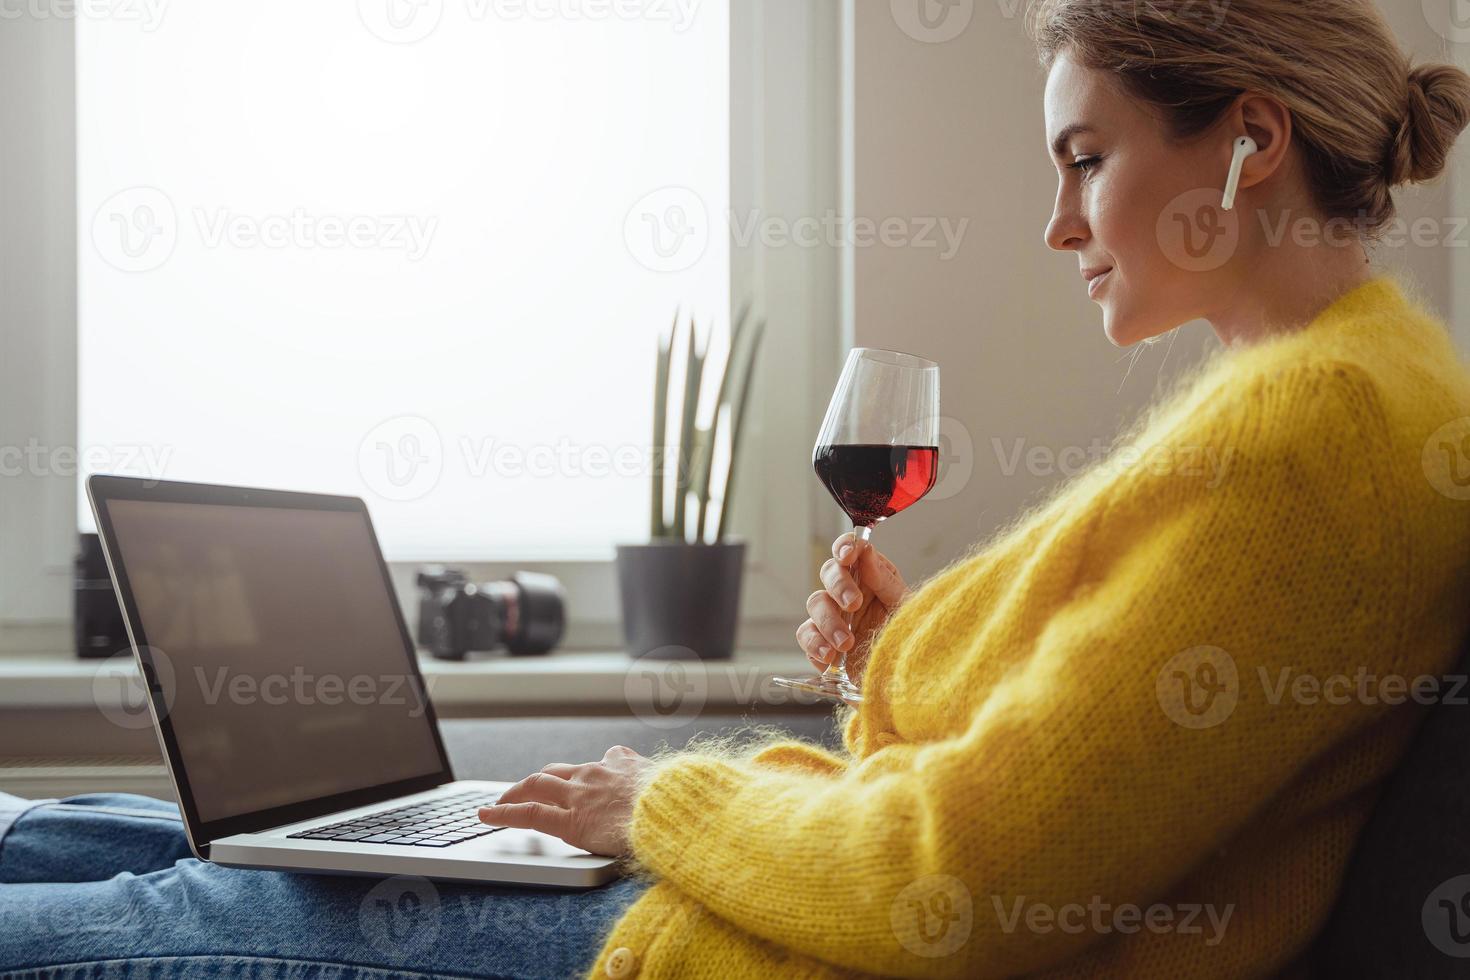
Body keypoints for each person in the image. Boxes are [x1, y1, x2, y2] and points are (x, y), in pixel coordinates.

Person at [6, 0, 1470, 976]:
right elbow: (1083, 771)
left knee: (166, 910)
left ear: (1250, 138)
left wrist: (654, 804)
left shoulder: (1312, 433)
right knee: (106, 826)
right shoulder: (1358, 388)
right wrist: (910, 651)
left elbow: (954, 877)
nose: (1053, 222)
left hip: (743, 953)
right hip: (785, 917)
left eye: (1084, 160)